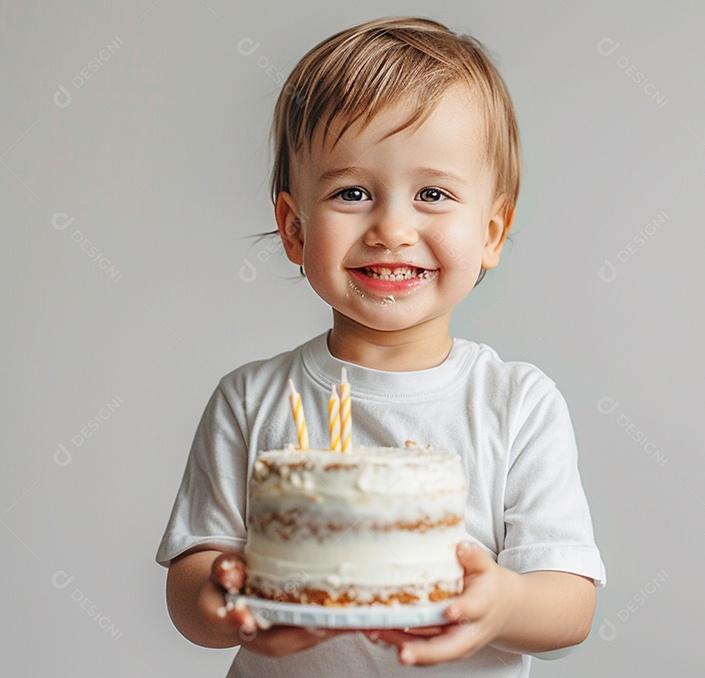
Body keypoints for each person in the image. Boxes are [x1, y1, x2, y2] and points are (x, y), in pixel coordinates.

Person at [154, 15, 605, 677]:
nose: (392, 227)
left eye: (432, 193)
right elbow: (192, 585)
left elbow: (570, 610)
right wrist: (230, 602)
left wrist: (501, 603)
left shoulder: (516, 403)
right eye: (352, 192)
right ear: (294, 229)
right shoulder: (251, 399)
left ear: (491, 231)